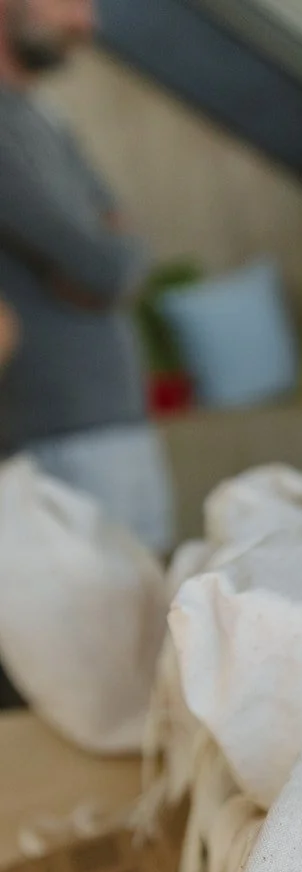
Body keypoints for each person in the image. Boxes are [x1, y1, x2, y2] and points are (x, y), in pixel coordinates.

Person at [0, 0, 173, 556]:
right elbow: (99, 264)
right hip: (55, 430)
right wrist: (105, 255)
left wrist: (109, 256)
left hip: (116, 417)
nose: (89, 22)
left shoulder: (43, 118)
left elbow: (122, 251)